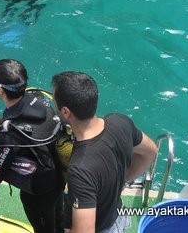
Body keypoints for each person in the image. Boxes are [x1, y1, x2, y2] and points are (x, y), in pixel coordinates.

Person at [51, 71, 158, 233]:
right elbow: (151, 151)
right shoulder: (120, 122)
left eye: (54, 101)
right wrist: (124, 180)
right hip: (117, 217)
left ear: (65, 112)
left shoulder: (80, 169)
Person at [0, 59, 64, 233]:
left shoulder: (9, 135)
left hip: (39, 194)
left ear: (0, 90)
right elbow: (29, 120)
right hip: (59, 178)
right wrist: (0, 120)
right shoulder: (38, 96)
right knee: (59, 222)